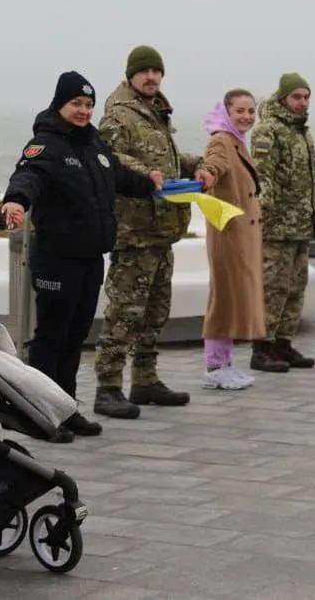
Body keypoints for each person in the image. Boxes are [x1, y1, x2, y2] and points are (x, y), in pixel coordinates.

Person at [0, 72, 164, 439]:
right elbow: (28, 175)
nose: (84, 111)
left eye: (89, 105)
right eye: (76, 104)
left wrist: (148, 182)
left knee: (75, 337)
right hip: (57, 257)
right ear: (60, 105)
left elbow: (118, 176)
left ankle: (67, 408)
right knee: (50, 339)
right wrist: (16, 200)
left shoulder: (94, 145)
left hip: (91, 258)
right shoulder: (46, 144)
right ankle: (42, 415)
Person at [93, 46, 207, 419]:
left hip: (162, 231)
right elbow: (108, 157)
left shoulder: (157, 112)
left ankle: (145, 379)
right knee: (124, 314)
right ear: (131, 75)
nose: (151, 77)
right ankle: (107, 387)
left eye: (157, 71)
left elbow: (168, 161)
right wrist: (143, 172)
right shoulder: (118, 115)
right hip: (134, 232)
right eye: (144, 71)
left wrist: (198, 164)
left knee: (154, 313)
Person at [250, 73, 315, 372]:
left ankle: (283, 343)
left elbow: (308, 181)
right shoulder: (268, 131)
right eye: (296, 97)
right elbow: (261, 177)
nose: (302, 103)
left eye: (306, 97)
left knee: (296, 287)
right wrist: (265, 211)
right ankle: (262, 347)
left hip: (301, 226)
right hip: (276, 227)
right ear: (283, 98)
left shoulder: (302, 133)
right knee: (273, 288)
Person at [200, 90, 268, 389]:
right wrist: (207, 174)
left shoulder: (237, 141)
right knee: (224, 298)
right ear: (227, 112)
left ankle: (226, 363)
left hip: (241, 234)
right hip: (229, 234)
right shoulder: (222, 140)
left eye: (251, 111)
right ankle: (215, 366)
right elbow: (214, 163)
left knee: (233, 298)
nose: (247, 117)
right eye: (240, 111)